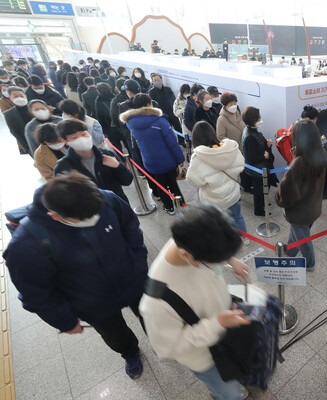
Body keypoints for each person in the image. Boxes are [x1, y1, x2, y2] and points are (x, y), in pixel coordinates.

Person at [4, 172, 148, 380]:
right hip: (91, 301)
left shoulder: (104, 199)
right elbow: (36, 295)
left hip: (131, 278)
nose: (94, 220)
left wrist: (138, 263)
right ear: (55, 216)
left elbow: (131, 228)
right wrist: (65, 321)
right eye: (85, 219)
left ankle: (161, 339)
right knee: (114, 334)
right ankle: (130, 353)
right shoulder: (26, 244)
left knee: (151, 314)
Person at [139, 203, 251, 400]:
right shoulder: (156, 302)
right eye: (212, 261)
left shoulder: (195, 239)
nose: (214, 264)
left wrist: (229, 260)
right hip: (206, 358)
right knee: (229, 394)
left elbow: (210, 259)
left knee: (239, 369)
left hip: (228, 332)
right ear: (185, 255)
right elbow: (169, 347)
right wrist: (217, 324)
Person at [120, 93, 186, 214]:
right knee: (173, 183)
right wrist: (180, 158)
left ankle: (169, 207)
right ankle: (180, 202)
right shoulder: (160, 121)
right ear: (149, 104)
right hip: (168, 160)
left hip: (150, 161)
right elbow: (172, 143)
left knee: (160, 185)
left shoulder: (131, 123)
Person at [276, 120, 327, 271]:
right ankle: (290, 252)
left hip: (299, 211)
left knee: (303, 238)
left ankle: (310, 263)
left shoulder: (300, 161)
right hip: (314, 205)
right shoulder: (321, 153)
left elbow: (287, 189)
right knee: (298, 232)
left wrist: (279, 199)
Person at [187, 121, 248, 239]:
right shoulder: (230, 148)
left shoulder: (198, 157)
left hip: (213, 199)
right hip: (232, 193)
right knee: (237, 216)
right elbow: (241, 166)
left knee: (217, 223)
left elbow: (193, 181)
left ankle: (224, 244)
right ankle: (244, 238)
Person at [54, 119, 132, 203]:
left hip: (120, 207)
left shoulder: (107, 154)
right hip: (90, 213)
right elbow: (65, 199)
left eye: (83, 134)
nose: (81, 139)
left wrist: (118, 166)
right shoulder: (63, 169)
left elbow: (127, 180)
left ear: (89, 132)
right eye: (74, 137)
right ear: (65, 141)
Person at [241, 106, 277, 216]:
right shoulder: (249, 136)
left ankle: (263, 203)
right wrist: (264, 156)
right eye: (259, 118)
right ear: (253, 120)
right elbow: (252, 157)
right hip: (257, 170)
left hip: (260, 168)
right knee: (259, 190)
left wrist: (266, 145)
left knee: (262, 189)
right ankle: (259, 210)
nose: (261, 120)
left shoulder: (252, 131)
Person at [3, 86, 32, 155]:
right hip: (29, 142)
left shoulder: (35, 106)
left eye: (21, 95)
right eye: (15, 96)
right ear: (10, 98)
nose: (20, 98)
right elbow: (14, 132)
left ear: (25, 96)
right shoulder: (8, 114)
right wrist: (26, 147)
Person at [95, 82, 121, 151]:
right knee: (127, 144)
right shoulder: (114, 97)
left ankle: (123, 160)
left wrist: (104, 130)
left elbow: (100, 116)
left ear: (99, 91)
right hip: (119, 124)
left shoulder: (99, 101)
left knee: (117, 147)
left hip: (109, 127)